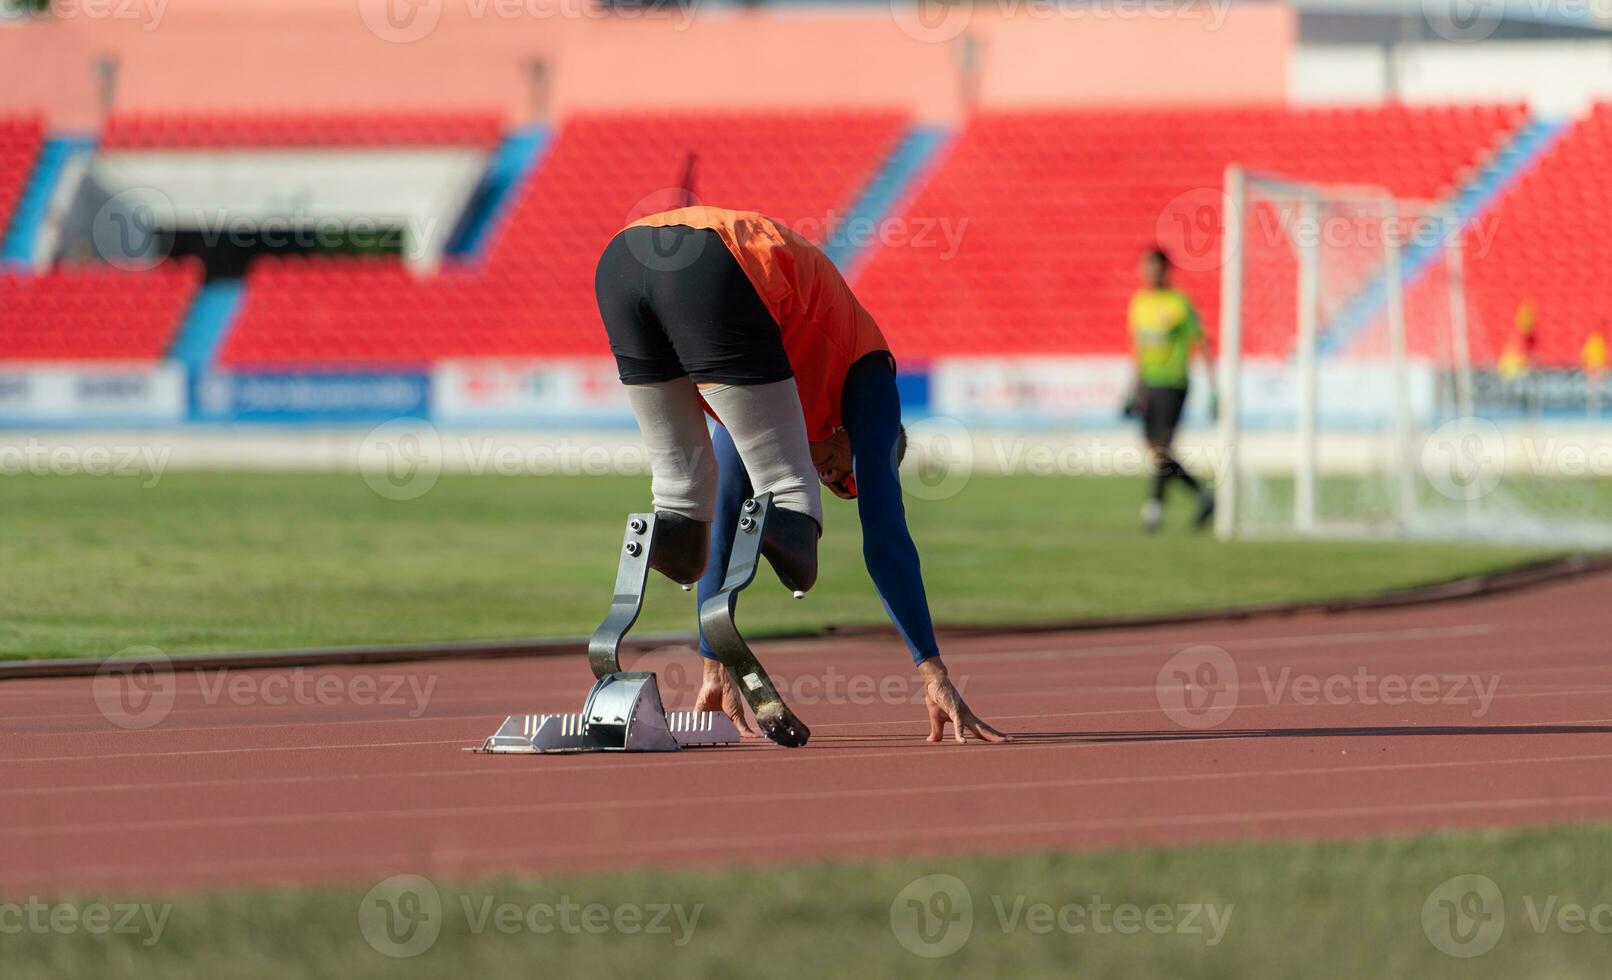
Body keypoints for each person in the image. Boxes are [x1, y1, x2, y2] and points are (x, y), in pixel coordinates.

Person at [594, 204, 1009, 744]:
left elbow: (723, 518)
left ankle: (667, 532)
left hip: (623, 264)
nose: (828, 473)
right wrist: (934, 672)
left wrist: (714, 659)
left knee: (687, 502)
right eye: (840, 471)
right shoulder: (871, 379)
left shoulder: (766, 409)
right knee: (790, 500)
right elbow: (886, 536)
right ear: (855, 440)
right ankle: (787, 524)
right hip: (721, 263)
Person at [1126, 248, 1215, 532]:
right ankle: (1203, 496)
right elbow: (1139, 349)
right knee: (1155, 449)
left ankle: (1154, 508)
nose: (1149, 273)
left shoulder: (1179, 303)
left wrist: (1213, 386)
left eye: (1154, 268)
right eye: (1145, 267)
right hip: (1149, 384)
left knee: (1162, 447)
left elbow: (1200, 341)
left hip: (1173, 382)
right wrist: (1133, 388)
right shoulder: (1138, 303)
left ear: (1165, 270)